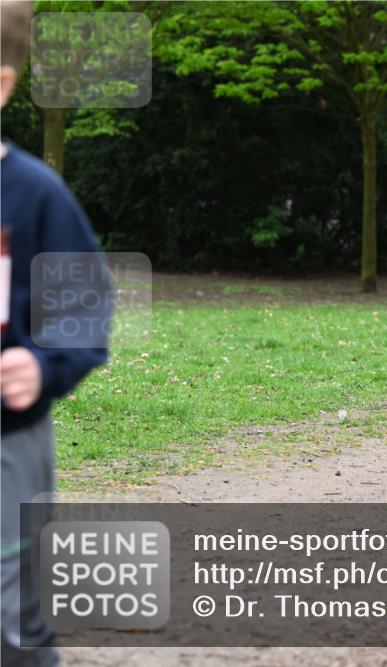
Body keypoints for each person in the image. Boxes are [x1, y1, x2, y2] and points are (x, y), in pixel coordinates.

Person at [2, 2, 112, 664]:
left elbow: (84, 308)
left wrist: (44, 365)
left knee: (13, 622)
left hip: (9, 444)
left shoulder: (36, 196)